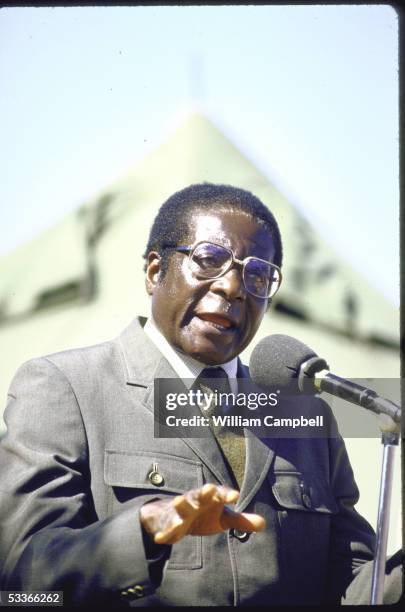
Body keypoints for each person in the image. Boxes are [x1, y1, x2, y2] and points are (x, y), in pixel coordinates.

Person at [0, 183, 399, 606]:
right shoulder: (65, 386)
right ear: (156, 272)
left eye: (257, 274)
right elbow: (21, 575)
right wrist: (144, 531)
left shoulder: (304, 413)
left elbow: (353, 586)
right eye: (209, 259)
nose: (233, 287)